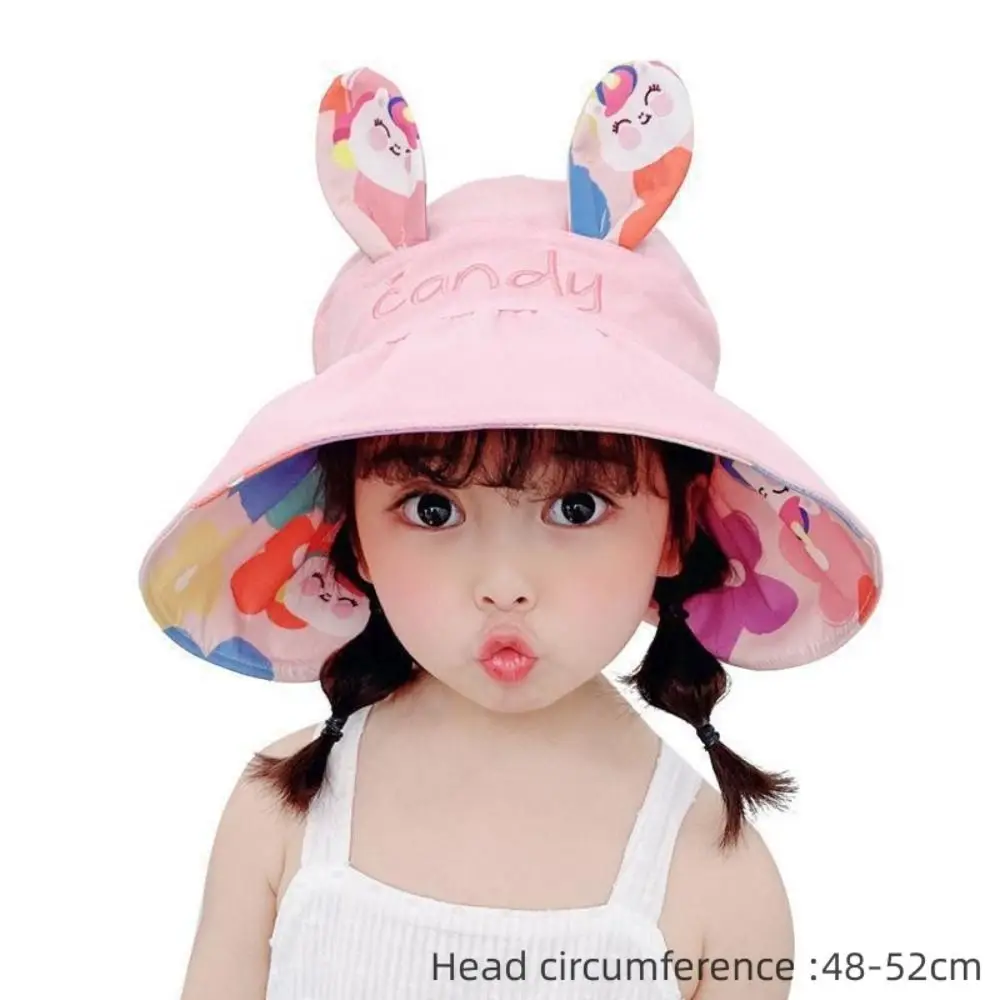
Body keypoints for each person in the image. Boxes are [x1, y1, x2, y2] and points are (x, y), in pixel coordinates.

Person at [138, 62, 882, 999]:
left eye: (577, 507)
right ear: (352, 531)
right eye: (433, 508)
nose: (503, 580)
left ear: (677, 528)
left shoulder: (715, 876)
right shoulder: (282, 810)